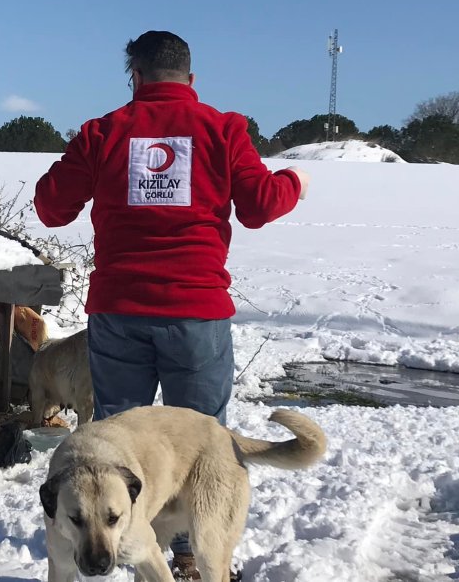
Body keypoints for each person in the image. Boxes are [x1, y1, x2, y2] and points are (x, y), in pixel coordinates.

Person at [33, 30, 310, 579]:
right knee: (202, 440)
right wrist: (294, 181)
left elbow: (49, 207)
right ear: (191, 79)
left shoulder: (103, 132)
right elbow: (259, 206)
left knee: (116, 442)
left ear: (134, 77)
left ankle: (126, 540)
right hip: (196, 312)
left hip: (118, 313)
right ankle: (186, 552)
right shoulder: (223, 129)